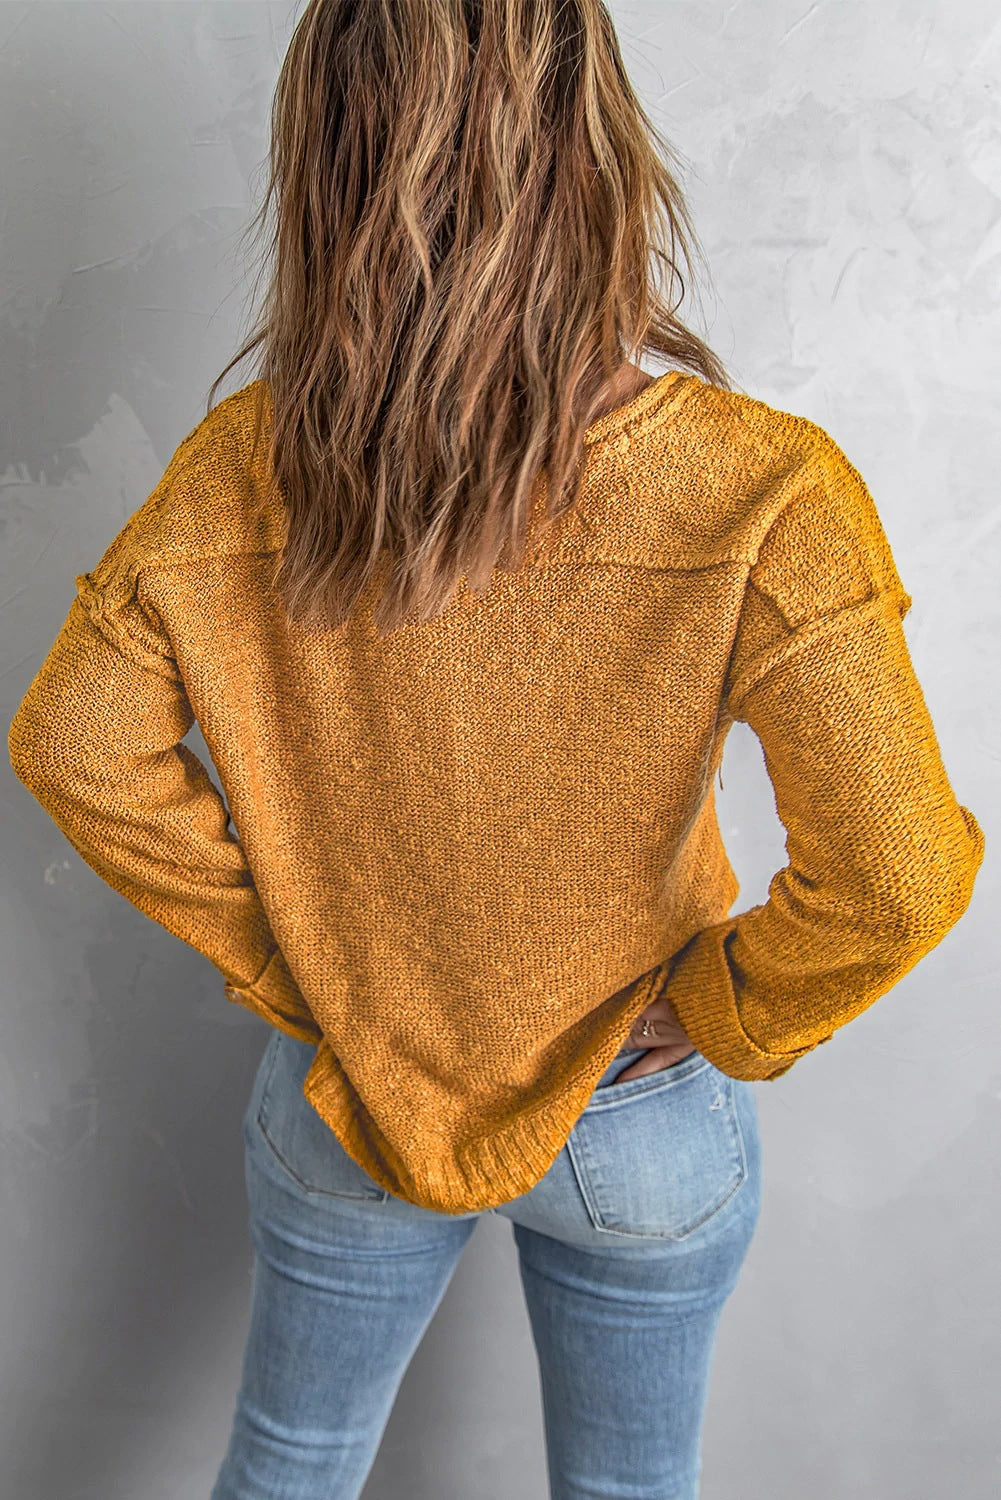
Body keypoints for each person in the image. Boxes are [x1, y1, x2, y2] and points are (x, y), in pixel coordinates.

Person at [7, 3, 984, 1498]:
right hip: (635, 1120)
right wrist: (724, 1010)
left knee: (288, 1466)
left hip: (350, 1090)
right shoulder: (764, 490)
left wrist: (293, 962)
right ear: (600, 151)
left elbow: (76, 741)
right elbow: (898, 871)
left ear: (326, 162)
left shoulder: (241, 472)